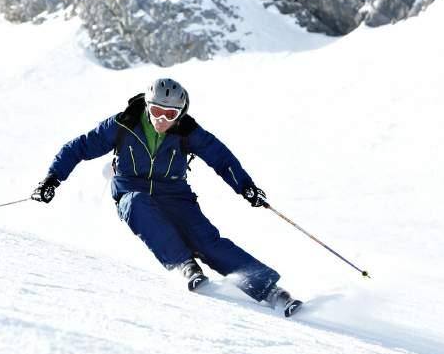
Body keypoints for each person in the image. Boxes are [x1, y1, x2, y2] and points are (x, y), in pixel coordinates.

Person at [32, 78, 302, 317]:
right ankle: (184, 264)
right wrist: (52, 179)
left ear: (180, 113)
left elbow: (221, 158)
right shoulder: (123, 125)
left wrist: (246, 187)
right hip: (130, 188)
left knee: (207, 241)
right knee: (138, 205)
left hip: (175, 194)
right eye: (156, 111)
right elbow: (79, 147)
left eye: (169, 113)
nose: (161, 119)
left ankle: (270, 290)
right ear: (148, 107)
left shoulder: (187, 132)